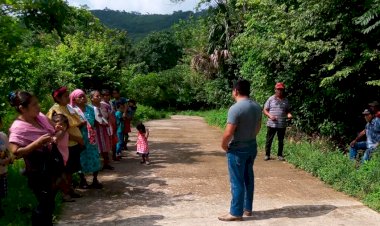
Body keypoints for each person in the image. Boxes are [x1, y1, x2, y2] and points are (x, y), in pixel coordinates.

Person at [8, 91, 57, 225]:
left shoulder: (39, 117)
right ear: (22, 108)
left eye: (37, 102)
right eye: (34, 104)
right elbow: (15, 153)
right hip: (37, 170)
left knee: (49, 203)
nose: (38, 106)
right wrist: (36, 144)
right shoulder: (18, 128)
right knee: (45, 204)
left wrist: (57, 128)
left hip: (49, 166)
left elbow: (53, 128)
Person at [218, 79, 262, 221]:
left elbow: (229, 133)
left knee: (237, 181)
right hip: (251, 146)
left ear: (236, 91)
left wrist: (224, 145)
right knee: (248, 178)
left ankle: (235, 213)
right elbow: (258, 128)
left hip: (237, 149)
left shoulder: (235, 108)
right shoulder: (256, 106)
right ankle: (247, 209)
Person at [47, 86, 84, 198]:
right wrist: (77, 138)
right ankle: (64, 192)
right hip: (65, 145)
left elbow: (78, 121)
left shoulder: (68, 107)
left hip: (74, 143)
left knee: (71, 170)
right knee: (64, 170)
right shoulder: (55, 110)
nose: (68, 97)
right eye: (65, 96)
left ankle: (69, 189)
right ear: (57, 98)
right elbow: (60, 129)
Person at [70, 89, 103, 189]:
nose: (82, 98)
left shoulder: (90, 109)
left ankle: (95, 179)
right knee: (81, 158)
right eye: (79, 97)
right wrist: (80, 125)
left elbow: (95, 122)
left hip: (91, 137)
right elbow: (72, 125)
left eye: (83, 96)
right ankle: (82, 180)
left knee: (94, 157)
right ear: (74, 99)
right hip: (79, 138)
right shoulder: (73, 111)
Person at [263, 82, 292, 161]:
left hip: (282, 124)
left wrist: (289, 114)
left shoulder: (286, 100)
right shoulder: (271, 99)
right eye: (278, 89)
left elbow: (288, 111)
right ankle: (267, 154)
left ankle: (280, 155)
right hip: (271, 124)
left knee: (281, 140)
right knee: (269, 140)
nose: (280, 91)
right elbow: (265, 110)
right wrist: (270, 116)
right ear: (275, 90)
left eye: (281, 89)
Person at [90, 90, 114, 170]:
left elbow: (109, 116)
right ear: (92, 98)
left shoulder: (104, 106)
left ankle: (106, 163)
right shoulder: (90, 108)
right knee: (97, 148)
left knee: (105, 147)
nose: (99, 97)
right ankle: (97, 165)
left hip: (104, 130)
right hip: (95, 130)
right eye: (97, 96)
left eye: (99, 95)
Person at [0, 116, 13, 216]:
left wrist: (9, 159)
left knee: (2, 194)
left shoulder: (3, 136)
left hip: (2, 171)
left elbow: (9, 152)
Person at [101, 89, 118, 161]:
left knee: (114, 140)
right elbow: (104, 117)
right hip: (107, 125)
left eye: (108, 95)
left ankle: (114, 156)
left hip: (113, 124)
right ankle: (107, 159)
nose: (107, 97)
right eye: (105, 95)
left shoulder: (110, 103)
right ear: (102, 96)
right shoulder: (102, 105)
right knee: (107, 141)